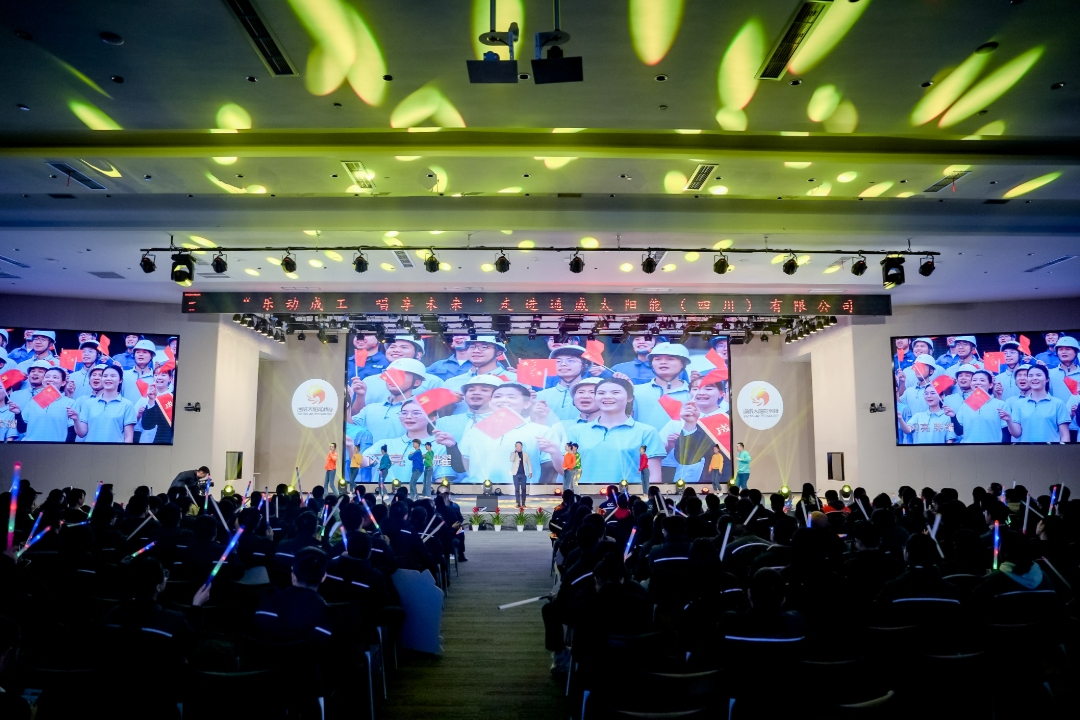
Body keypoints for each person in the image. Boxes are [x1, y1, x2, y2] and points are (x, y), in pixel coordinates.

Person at [441, 383, 559, 487]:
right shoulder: (476, 430)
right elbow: (460, 468)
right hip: (478, 493)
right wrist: (452, 446)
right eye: (497, 397)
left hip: (522, 495)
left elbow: (549, 468)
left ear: (526, 403)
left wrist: (539, 495)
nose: (503, 400)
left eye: (511, 397)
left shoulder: (541, 431)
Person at [565, 378, 664, 485]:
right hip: (584, 494)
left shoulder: (647, 432)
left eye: (615, 392)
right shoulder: (576, 431)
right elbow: (569, 472)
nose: (607, 396)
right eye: (601, 393)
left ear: (629, 398)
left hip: (630, 494)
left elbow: (653, 475)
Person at [348, 357, 433, 442]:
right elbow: (350, 428)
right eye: (389, 375)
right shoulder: (371, 408)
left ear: (417, 382)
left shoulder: (424, 411)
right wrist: (352, 398)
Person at [1001, 364, 1071, 443]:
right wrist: (1009, 420)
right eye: (1030, 375)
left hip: (1051, 449)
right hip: (1027, 449)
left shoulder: (1058, 404)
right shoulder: (1019, 404)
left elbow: (1065, 435)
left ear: (1047, 379)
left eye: (1038, 375)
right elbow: (1016, 434)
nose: (1034, 378)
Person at [632, 342, 693, 433]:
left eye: (670, 359)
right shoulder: (635, 391)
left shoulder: (694, 393)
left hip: (682, 442)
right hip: (643, 442)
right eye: (657, 359)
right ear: (651, 363)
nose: (663, 362)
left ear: (683, 364)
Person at [9, 365, 76, 442]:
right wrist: (18, 413)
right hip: (30, 446)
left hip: (55, 447)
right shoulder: (34, 401)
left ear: (63, 383)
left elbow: (72, 432)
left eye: (55, 377)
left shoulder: (70, 402)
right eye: (47, 377)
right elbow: (22, 429)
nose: (50, 379)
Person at [72, 364, 137, 443]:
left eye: (113, 376)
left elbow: (128, 437)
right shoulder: (89, 403)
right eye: (105, 376)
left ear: (120, 380)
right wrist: (76, 419)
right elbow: (81, 433)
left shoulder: (127, 405)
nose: (108, 379)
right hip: (91, 449)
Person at [536, 345, 594, 423]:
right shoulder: (540, 396)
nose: (563, 364)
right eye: (558, 361)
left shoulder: (595, 394)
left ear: (585, 365)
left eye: (570, 360)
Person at [955, 370, 1007, 443]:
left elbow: (1006, 431)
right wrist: (952, 417)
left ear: (990, 385)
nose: (978, 382)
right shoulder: (965, 405)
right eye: (974, 380)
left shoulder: (1000, 404)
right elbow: (959, 432)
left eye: (982, 380)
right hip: (968, 448)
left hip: (993, 448)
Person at [509, 440, 531, 506]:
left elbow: (529, 463)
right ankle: (518, 503)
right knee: (517, 489)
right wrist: (514, 453)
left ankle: (523, 503)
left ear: (522, 446)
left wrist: (530, 472)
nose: (518, 447)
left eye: (519, 446)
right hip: (515, 474)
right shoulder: (513, 453)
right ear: (515, 447)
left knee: (523, 488)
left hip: (523, 474)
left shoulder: (526, 454)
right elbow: (511, 460)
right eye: (517, 446)